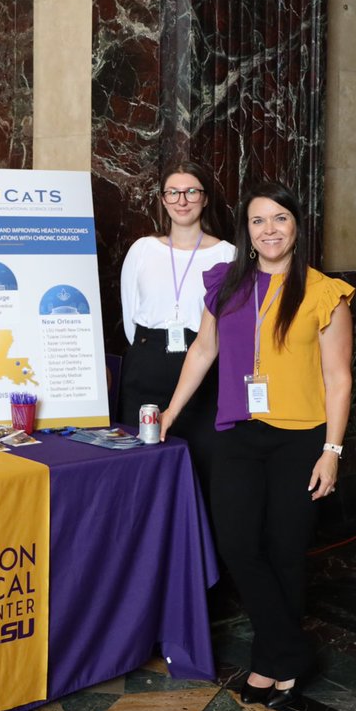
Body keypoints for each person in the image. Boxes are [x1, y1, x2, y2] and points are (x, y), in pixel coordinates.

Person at [160, 181, 354, 709]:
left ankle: (271, 663)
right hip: (239, 436)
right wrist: (171, 413)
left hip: (301, 440)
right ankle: (295, 654)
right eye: (258, 221)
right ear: (247, 232)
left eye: (279, 219)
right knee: (239, 545)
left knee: (286, 552)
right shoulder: (227, 283)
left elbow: (338, 378)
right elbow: (203, 350)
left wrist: (331, 453)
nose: (269, 230)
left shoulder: (323, 293)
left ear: (296, 226)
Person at [118, 159, 234, 491]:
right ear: (164, 199)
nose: (182, 200)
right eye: (173, 192)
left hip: (204, 368)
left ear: (205, 197)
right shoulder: (143, 250)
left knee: (202, 464)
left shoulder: (228, 254)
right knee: (142, 465)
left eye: (191, 192)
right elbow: (130, 316)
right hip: (146, 366)